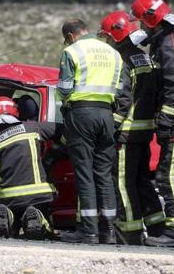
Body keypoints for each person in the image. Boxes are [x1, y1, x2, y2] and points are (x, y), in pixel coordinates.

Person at [99, 10, 165, 245]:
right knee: (142, 181)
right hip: (146, 131)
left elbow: (123, 99)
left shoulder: (122, 61)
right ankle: (157, 227)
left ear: (116, 36)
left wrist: (111, 128)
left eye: (107, 37)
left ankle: (129, 230)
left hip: (126, 133)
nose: (106, 42)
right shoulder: (145, 58)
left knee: (123, 182)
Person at [131, 0, 174, 247]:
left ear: (152, 20)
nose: (141, 27)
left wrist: (165, 121)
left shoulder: (168, 44)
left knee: (171, 177)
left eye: (142, 22)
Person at [56, 19, 122, 244]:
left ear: (70, 36)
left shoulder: (72, 51)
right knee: (103, 173)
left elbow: (65, 90)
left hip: (82, 113)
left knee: (84, 173)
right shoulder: (113, 52)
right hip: (107, 115)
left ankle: (89, 232)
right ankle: (110, 231)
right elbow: (121, 89)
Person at [0, 96, 62, 240]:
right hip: (39, 193)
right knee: (42, 219)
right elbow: (62, 130)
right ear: (15, 112)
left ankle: (7, 215)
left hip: (8, 197)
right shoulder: (33, 128)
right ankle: (38, 216)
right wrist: (59, 151)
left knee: (11, 212)